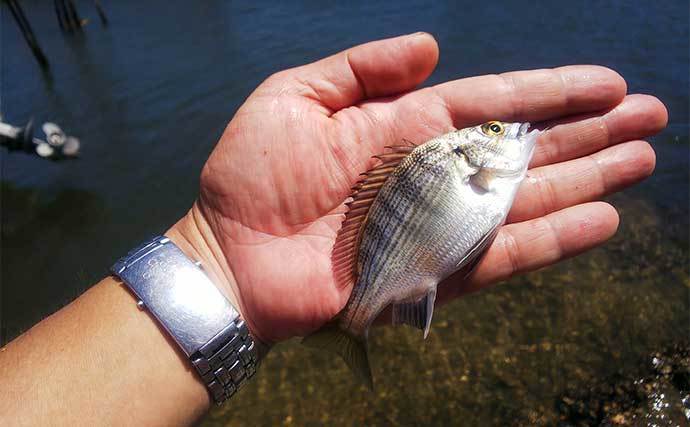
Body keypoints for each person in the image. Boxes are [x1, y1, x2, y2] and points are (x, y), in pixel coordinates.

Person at [0, 33, 666, 425]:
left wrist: (224, 267)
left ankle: (357, 325)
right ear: (475, 149)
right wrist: (225, 257)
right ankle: (356, 329)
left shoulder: (480, 166)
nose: (505, 133)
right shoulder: (470, 163)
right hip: (412, 246)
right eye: (493, 130)